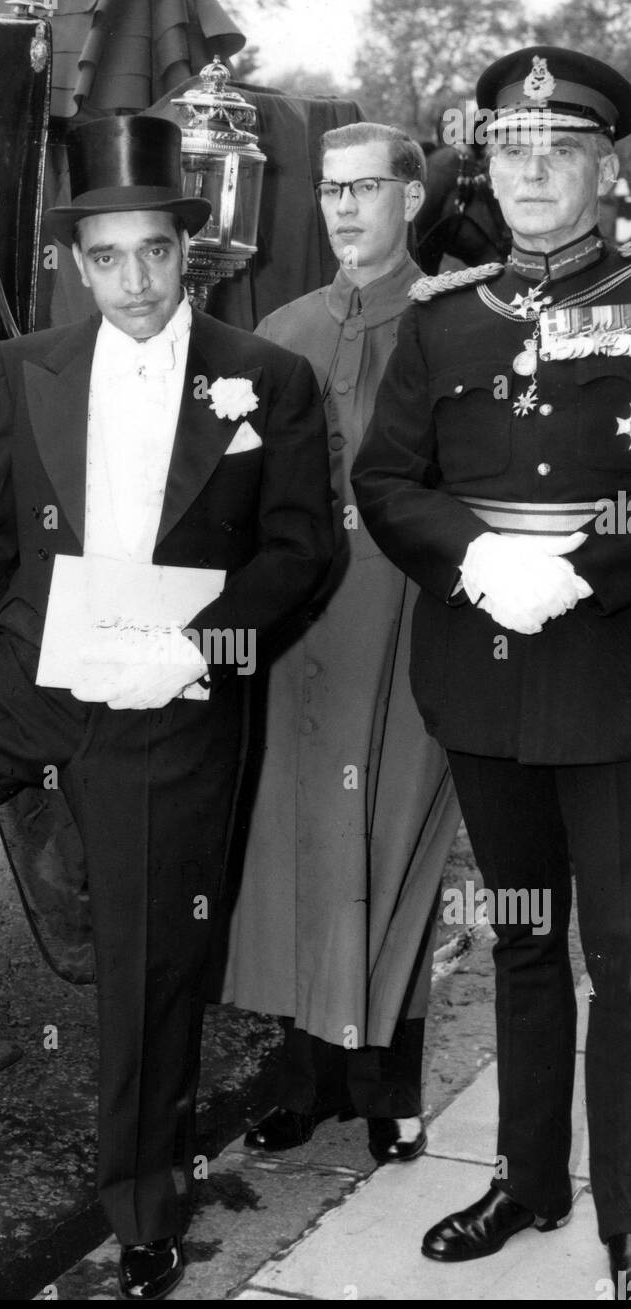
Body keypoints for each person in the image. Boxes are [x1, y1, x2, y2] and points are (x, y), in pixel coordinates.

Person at [0, 115, 333, 1301]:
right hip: (24, 671)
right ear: (78, 264)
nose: (136, 282)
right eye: (110, 258)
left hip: (166, 702)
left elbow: (303, 552)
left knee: (150, 965)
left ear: (185, 252)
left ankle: (145, 1203)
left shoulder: (269, 378)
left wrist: (203, 647)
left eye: (156, 253)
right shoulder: (22, 367)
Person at [352, 47, 631, 1297]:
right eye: (511, 149)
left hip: (614, 666)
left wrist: (587, 565)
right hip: (481, 666)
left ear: (607, 167)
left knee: (623, 958)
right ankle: (528, 1176)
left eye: (558, 148)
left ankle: (626, 1221)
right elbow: (386, 480)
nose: (529, 169)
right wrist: (475, 562)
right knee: (522, 933)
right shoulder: (444, 313)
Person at [223, 122, 461, 1163]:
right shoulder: (281, 325)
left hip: (408, 628)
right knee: (291, 851)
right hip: (297, 633)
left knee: (390, 846)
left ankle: (384, 1087)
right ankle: (302, 1079)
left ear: (412, 197)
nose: (345, 208)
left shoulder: (458, 319)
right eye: (329, 190)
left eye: (367, 188)